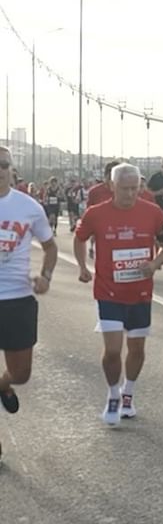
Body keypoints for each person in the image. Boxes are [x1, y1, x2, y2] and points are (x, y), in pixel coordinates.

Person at [74, 163, 163, 426]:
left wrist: (153, 265)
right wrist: (83, 266)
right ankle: (113, 395)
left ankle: (128, 391)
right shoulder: (96, 213)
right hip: (108, 290)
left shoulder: (152, 212)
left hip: (140, 292)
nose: (131, 194)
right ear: (111, 186)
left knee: (137, 348)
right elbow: (79, 238)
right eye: (125, 189)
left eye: (135, 188)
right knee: (112, 351)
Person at [0, 146, 57, 460]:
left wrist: (46, 276)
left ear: (11, 169)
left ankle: (4, 384)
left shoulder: (28, 207)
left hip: (18, 299)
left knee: (21, 374)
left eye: (3, 164)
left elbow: (50, 246)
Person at [87, 161, 121, 260]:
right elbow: (89, 208)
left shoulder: (122, 190)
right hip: (100, 226)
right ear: (106, 175)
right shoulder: (95, 191)